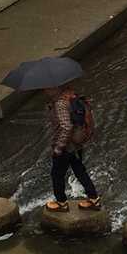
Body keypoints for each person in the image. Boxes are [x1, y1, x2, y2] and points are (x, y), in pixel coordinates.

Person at [44, 83, 102, 212]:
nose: (45, 90)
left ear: (55, 88)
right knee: (79, 170)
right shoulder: (72, 96)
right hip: (77, 143)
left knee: (57, 174)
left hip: (66, 146)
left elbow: (66, 127)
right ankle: (94, 199)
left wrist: (58, 148)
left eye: (47, 88)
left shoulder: (60, 103)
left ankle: (61, 203)